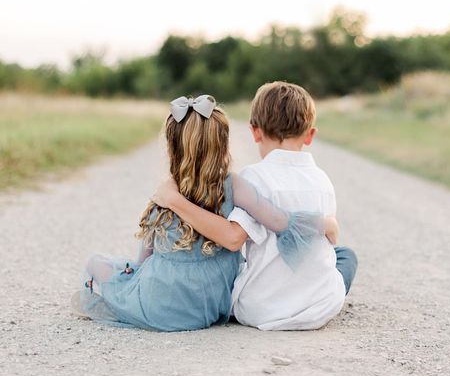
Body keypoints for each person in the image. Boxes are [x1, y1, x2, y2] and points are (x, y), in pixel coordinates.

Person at [71, 94, 336, 332]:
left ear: (172, 148)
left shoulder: (165, 194)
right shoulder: (236, 186)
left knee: (99, 263)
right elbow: (281, 221)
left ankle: (102, 293)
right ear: (223, 144)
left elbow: (143, 261)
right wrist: (324, 223)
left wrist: (134, 272)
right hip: (210, 308)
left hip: (157, 303)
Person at [153, 82, 358, 330]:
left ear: (255, 132)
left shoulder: (253, 178)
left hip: (258, 310)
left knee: (242, 262)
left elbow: (232, 237)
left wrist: (176, 201)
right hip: (317, 310)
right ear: (310, 135)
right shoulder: (323, 181)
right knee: (345, 256)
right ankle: (315, 294)